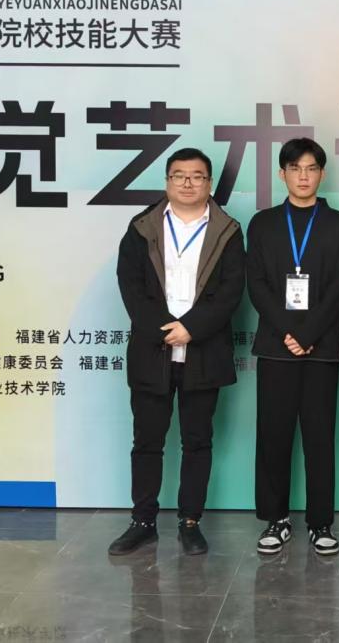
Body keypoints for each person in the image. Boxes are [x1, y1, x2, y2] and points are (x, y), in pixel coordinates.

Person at [110, 148, 246, 556]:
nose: (188, 183)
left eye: (197, 176)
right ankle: (143, 521)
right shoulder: (141, 227)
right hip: (152, 350)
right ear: (167, 181)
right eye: (179, 175)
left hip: (204, 351)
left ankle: (190, 522)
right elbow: (130, 285)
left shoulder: (227, 230)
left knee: (197, 441)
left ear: (209, 183)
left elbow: (231, 291)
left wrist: (192, 328)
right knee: (147, 441)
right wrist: (164, 329)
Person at [246, 137, 339, 556]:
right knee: (272, 436)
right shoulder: (263, 223)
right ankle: (275, 520)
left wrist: (307, 334)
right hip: (276, 347)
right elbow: (256, 284)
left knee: (319, 437)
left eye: (311, 168)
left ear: (322, 174)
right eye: (295, 168)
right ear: (282, 174)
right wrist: (288, 332)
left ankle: (320, 522)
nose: (303, 176)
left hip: (321, 348)